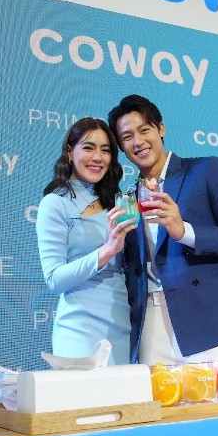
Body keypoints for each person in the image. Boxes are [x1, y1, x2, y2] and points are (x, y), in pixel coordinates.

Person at [108, 95, 218, 365]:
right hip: (152, 326)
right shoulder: (128, 197)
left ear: (161, 129)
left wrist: (185, 232)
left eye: (144, 130)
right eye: (127, 136)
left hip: (212, 321)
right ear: (121, 146)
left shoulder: (205, 170)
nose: (138, 142)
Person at [36, 117, 137, 365]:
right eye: (89, 147)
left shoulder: (118, 202)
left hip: (124, 324)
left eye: (106, 150)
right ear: (70, 151)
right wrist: (107, 250)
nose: (98, 157)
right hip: (80, 329)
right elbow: (54, 279)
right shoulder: (55, 203)